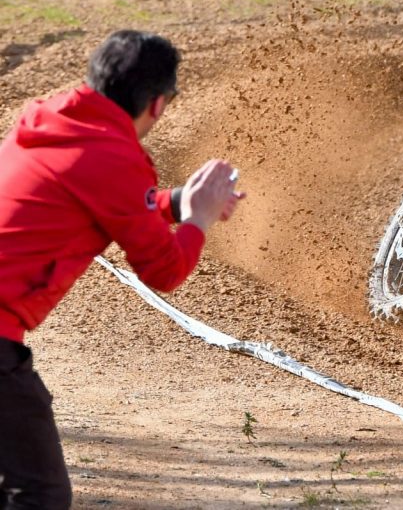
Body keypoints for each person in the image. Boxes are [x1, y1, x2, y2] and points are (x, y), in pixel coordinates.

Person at [0, 30, 243, 509]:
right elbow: (164, 270)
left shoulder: (49, 118)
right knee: (39, 495)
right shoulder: (114, 156)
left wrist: (178, 203)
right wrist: (198, 220)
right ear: (157, 104)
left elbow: (103, 198)